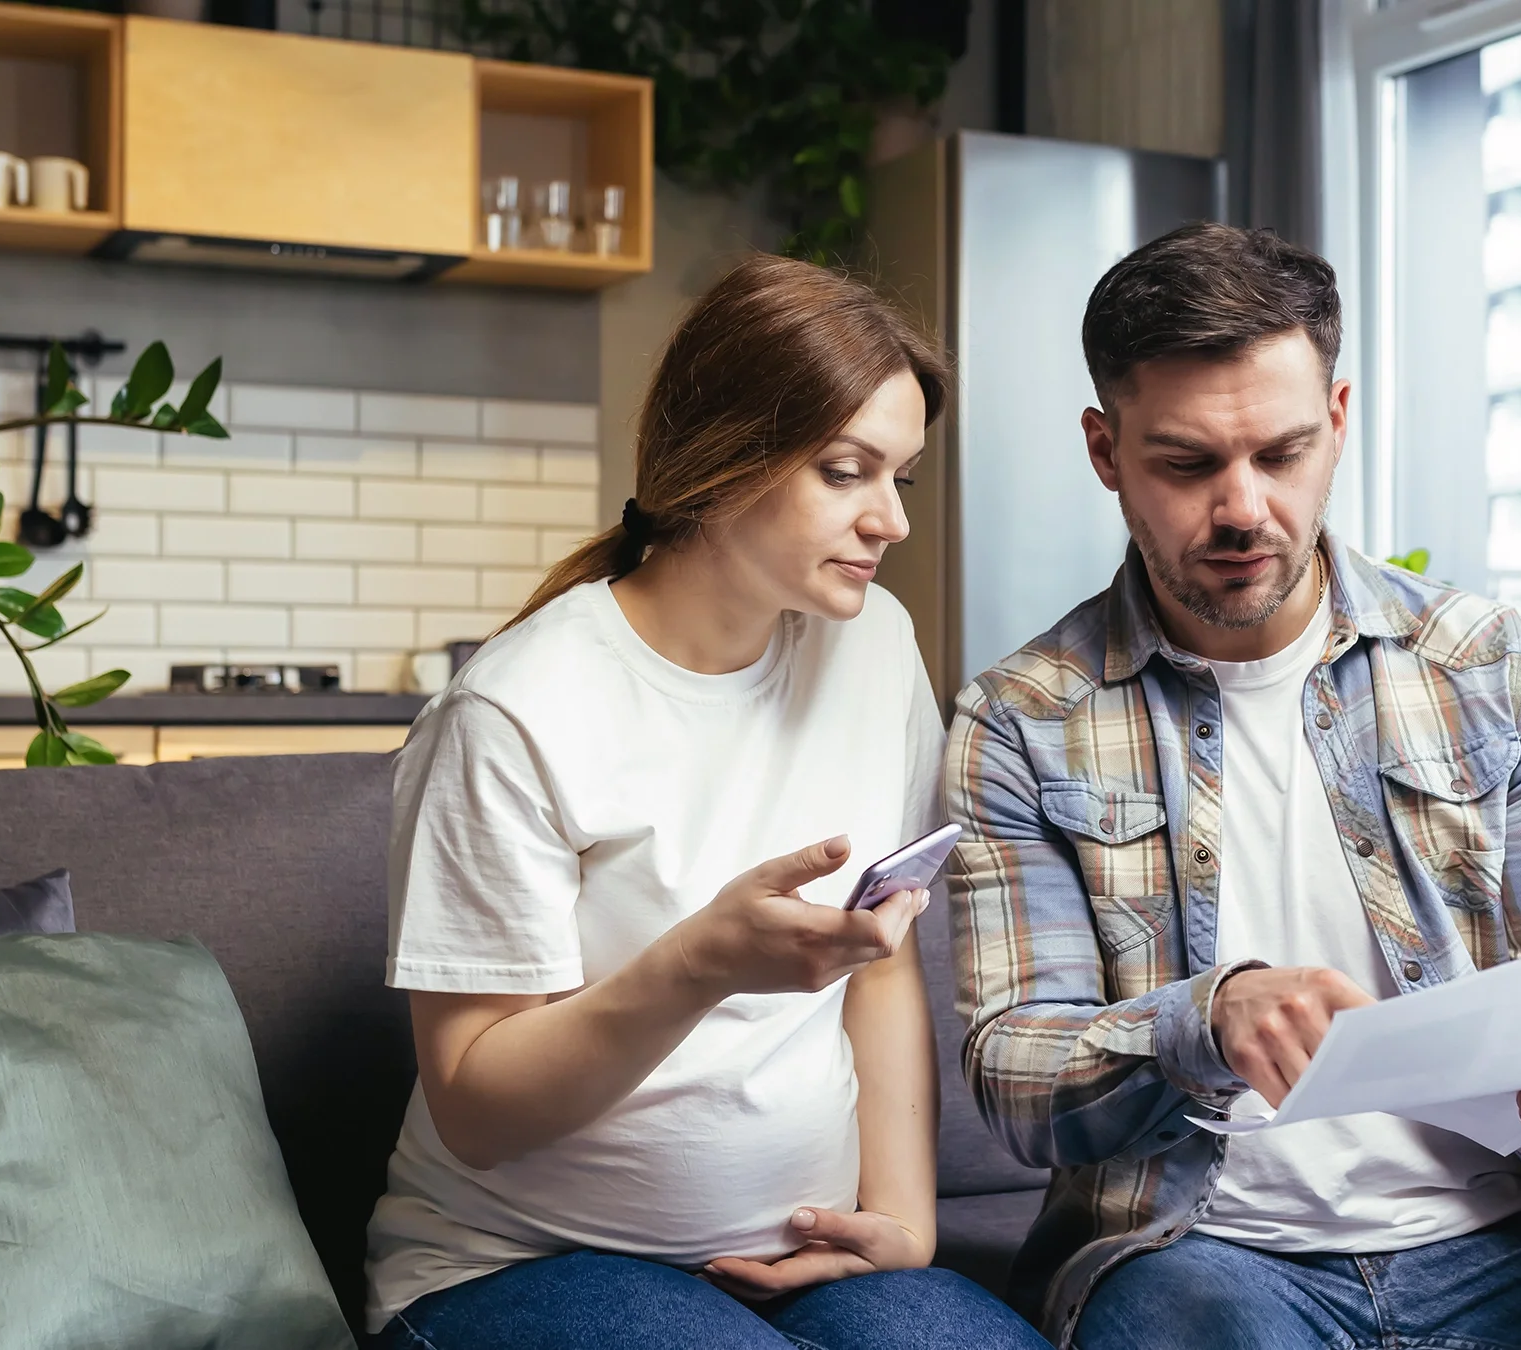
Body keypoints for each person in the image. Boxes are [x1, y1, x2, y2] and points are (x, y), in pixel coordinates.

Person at [940, 223, 1521, 1350]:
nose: (1243, 508)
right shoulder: (1022, 719)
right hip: (1199, 1255)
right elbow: (1015, 1077)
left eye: (1282, 453)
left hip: (1511, 1240)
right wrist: (1206, 1019)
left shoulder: (1492, 668)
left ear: (1338, 422)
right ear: (1107, 451)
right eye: (1187, 463)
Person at [365, 254, 1052, 1350]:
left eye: (901, 478)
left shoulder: (873, 648)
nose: (892, 522)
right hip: (521, 1264)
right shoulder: (514, 708)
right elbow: (475, 1108)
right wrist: (699, 963)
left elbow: (879, 968)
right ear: (724, 459)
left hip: (810, 1250)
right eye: (846, 471)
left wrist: (905, 1222)